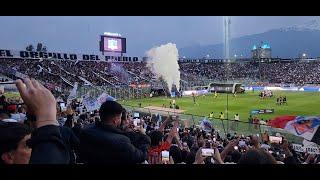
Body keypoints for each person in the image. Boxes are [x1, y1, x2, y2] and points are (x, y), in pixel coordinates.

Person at [80, 100, 150, 164]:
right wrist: (144, 136)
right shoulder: (121, 141)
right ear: (115, 120)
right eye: (120, 117)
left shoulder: (86, 130)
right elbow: (140, 156)